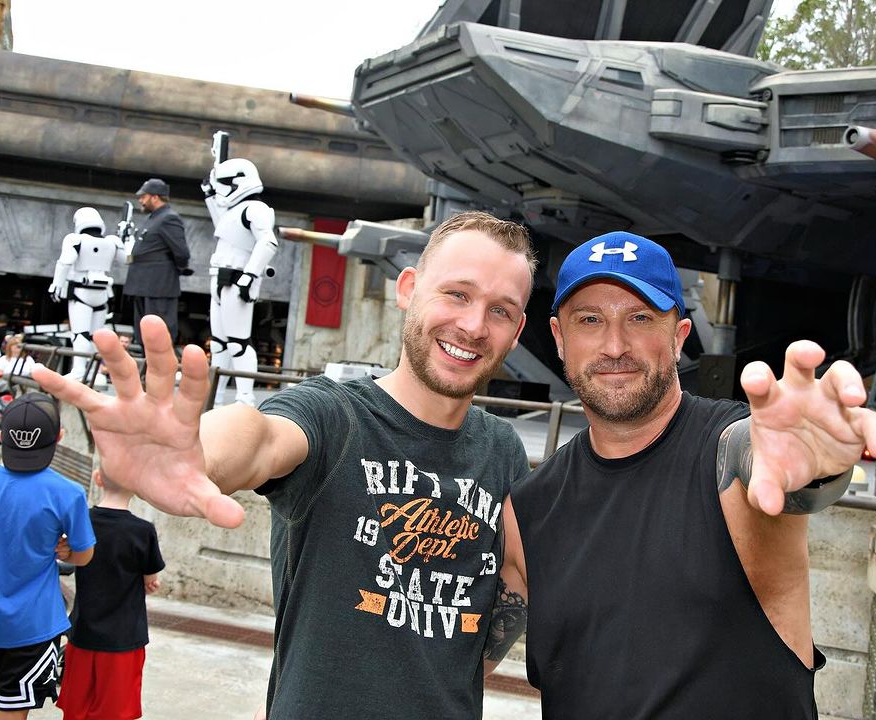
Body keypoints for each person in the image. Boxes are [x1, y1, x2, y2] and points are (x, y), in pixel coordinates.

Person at [34, 211, 537, 719]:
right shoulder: (333, 416)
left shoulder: (503, 451)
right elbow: (260, 437)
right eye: (457, 294)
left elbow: (508, 587)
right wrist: (195, 454)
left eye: (500, 310)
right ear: (408, 289)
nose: (474, 325)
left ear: (516, 331)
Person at [488, 232, 876, 719]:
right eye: (590, 320)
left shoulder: (727, 452)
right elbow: (457, 659)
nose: (614, 345)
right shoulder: (530, 509)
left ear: (679, 337)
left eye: (640, 318)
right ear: (559, 337)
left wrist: (812, 466)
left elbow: (767, 469)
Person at [0, 393, 96, 719]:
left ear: (1, 435)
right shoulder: (69, 493)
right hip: (32, 626)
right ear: (59, 437)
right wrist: (68, 550)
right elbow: (84, 556)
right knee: (12, 709)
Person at [56, 467, 164, 720]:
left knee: (76, 709)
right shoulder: (143, 531)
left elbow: (68, 555)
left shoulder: (82, 521)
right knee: (115, 711)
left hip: (82, 632)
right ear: (137, 486)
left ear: (98, 478)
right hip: (123, 637)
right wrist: (150, 583)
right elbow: (151, 578)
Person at [201, 157, 279, 406]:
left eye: (224, 184)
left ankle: (245, 397)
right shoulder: (235, 211)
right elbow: (225, 227)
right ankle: (215, 397)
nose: (222, 190)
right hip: (220, 277)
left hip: (238, 279)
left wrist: (249, 275)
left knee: (238, 343)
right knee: (219, 344)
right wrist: (209, 195)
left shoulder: (256, 209)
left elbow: (268, 242)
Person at [48, 207, 129, 383]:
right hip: (102, 295)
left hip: (81, 293)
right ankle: (93, 372)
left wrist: (56, 285)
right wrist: (127, 241)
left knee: (80, 334)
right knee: (95, 336)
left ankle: (79, 371)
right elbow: (128, 259)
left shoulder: (75, 239)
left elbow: (65, 262)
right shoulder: (112, 241)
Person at [124, 179, 191, 348]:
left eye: (144, 196)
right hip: (143, 283)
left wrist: (170, 270)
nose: (140, 200)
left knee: (158, 333)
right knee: (143, 333)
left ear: (155, 197)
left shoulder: (169, 218)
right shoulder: (153, 218)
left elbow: (181, 253)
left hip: (158, 285)